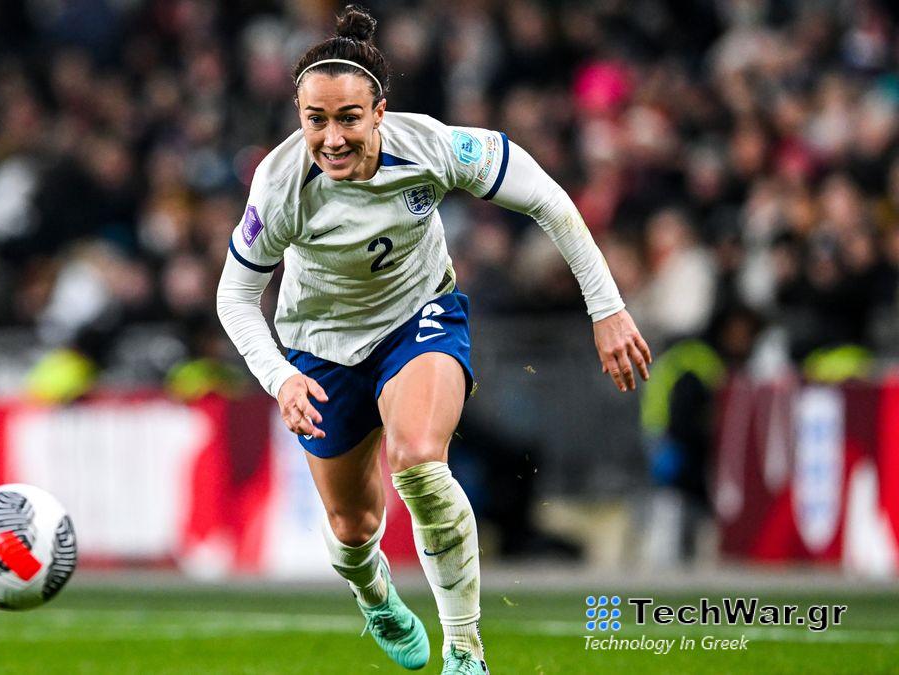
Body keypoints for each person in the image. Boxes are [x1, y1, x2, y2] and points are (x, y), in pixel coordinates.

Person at [215, 6, 651, 673]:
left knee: (419, 459)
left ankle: (466, 652)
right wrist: (281, 377)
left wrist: (608, 307)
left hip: (417, 319)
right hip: (319, 349)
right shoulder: (278, 186)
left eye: (348, 118)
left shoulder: (431, 146)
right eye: (316, 120)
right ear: (299, 115)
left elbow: (546, 197)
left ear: (380, 111)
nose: (331, 137)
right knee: (353, 529)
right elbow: (235, 295)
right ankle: (375, 594)